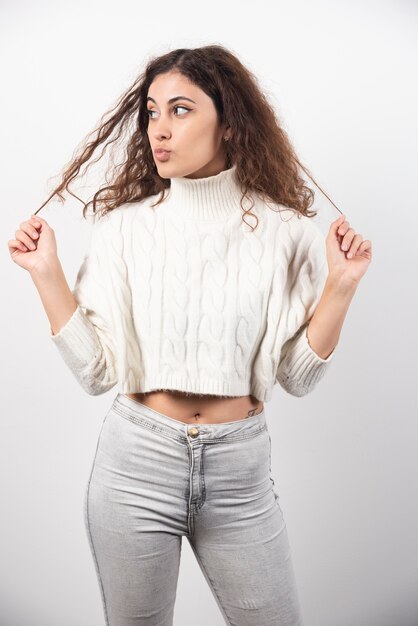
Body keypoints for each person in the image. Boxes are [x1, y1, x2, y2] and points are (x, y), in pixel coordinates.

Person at [8, 45, 372, 626]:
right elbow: (97, 373)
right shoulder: (124, 228)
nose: (160, 130)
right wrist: (47, 274)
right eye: (151, 113)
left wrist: (342, 285)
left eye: (180, 110)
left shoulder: (286, 231)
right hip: (135, 466)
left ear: (228, 123)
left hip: (240, 474)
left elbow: (297, 377)